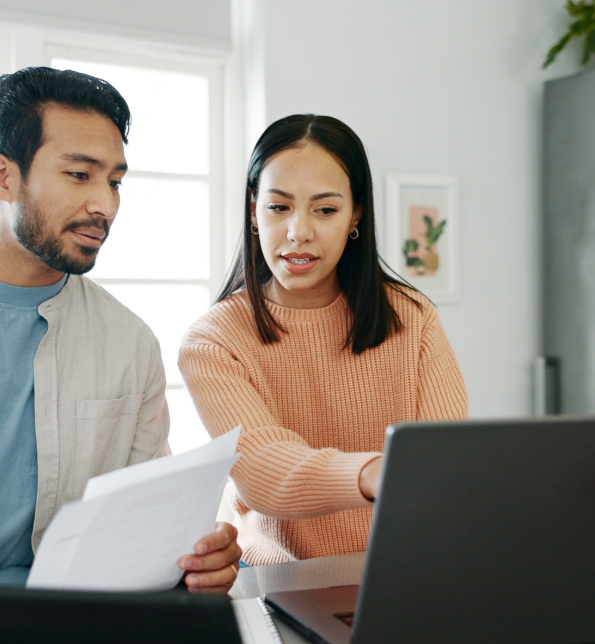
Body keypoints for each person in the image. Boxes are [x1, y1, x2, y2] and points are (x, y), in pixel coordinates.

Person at [179, 114, 468, 566]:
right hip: (279, 584)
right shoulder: (213, 342)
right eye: (278, 207)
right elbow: (264, 472)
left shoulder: (413, 318)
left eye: (325, 209)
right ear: (254, 210)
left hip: (408, 571)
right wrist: (375, 472)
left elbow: (444, 463)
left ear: (356, 214)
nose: (299, 232)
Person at [0, 67, 241, 590]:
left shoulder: (129, 343)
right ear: (5, 177)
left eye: (114, 182)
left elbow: (148, 529)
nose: (104, 205)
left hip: (77, 622)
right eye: (79, 175)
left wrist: (193, 560)